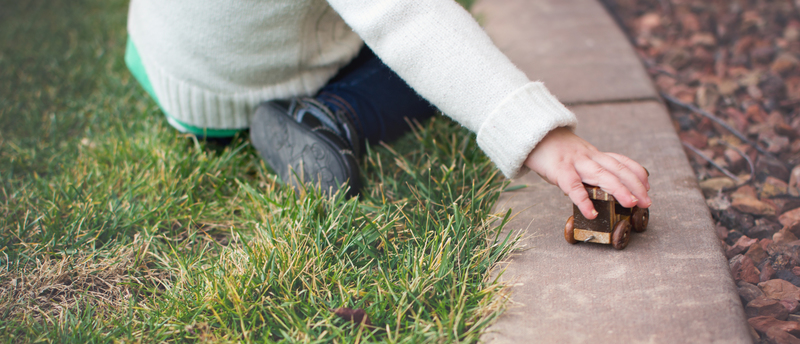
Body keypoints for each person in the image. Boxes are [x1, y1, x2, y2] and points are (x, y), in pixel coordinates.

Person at [125, 0, 651, 220]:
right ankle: (331, 114)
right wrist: (540, 134)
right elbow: (409, 21)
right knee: (419, 64)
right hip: (252, 80)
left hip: (168, 66)